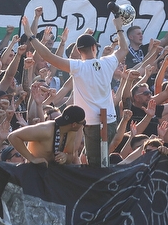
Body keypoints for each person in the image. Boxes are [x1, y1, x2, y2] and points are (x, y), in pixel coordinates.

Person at [24, 11, 128, 166]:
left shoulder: (78, 66)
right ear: (94, 47)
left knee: (95, 165)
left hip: (92, 123)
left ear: (79, 51)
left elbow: (48, 56)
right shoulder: (107, 62)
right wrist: (119, 28)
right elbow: (124, 49)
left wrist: (31, 36)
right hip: (109, 120)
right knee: (92, 160)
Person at [7, 105, 85, 165]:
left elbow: (71, 156)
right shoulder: (45, 130)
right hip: (35, 171)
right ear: (74, 124)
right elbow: (13, 136)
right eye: (82, 123)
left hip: (53, 172)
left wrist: (65, 156)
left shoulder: (71, 132)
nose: (83, 125)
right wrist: (32, 159)